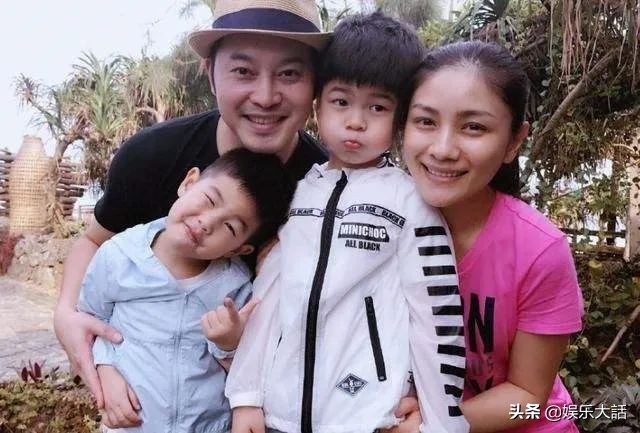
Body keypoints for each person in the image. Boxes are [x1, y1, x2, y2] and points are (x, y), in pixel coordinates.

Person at [53, 0, 330, 415]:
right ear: (210, 73)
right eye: (243, 71)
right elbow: (95, 241)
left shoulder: (332, 186)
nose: (266, 96)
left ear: (315, 85)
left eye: (290, 73)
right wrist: (65, 314)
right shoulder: (151, 156)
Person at [221, 14, 468, 433]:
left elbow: (437, 318)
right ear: (317, 104)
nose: (356, 121)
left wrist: (442, 425)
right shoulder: (299, 193)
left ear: (401, 118)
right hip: (280, 417)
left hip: (366, 417)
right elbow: (269, 298)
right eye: (341, 101)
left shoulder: (410, 201)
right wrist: (246, 396)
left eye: (377, 107)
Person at [401, 41, 584, 432]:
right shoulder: (377, 224)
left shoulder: (539, 251)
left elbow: (529, 398)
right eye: (426, 121)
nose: (443, 149)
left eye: (474, 127)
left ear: (514, 142)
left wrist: (430, 426)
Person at [77, 149, 296, 432]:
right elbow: (90, 321)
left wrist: (229, 342)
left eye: (230, 227)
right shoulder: (118, 256)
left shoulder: (234, 287)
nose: (207, 223)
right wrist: (104, 369)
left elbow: (246, 367)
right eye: (209, 200)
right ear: (189, 183)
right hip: (131, 425)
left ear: (238, 249)